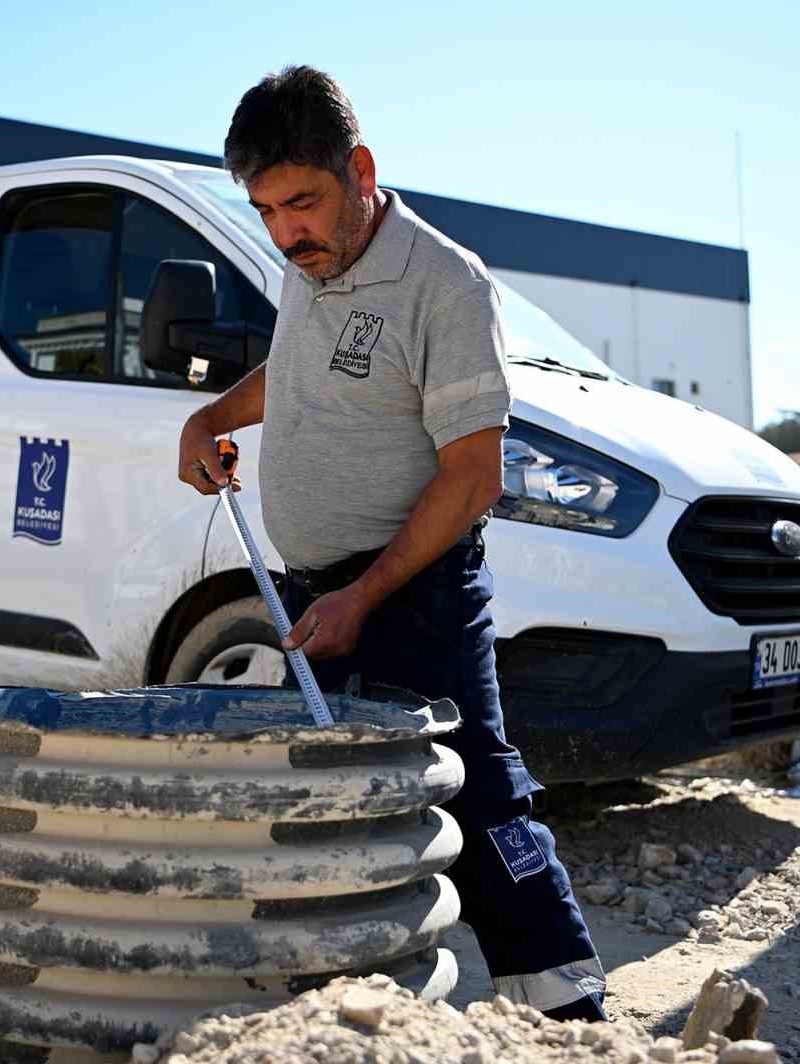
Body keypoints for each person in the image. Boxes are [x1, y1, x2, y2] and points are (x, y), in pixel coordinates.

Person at [175, 65, 608, 1021]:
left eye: (302, 202)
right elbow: (296, 371)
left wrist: (362, 597)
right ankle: (353, 1016)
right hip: (317, 596)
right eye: (266, 210)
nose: (286, 231)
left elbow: (474, 477)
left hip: (414, 598)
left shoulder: (446, 285)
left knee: (476, 798)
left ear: (360, 170)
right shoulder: (313, 264)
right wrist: (214, 416)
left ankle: (570, 1016)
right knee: (339, 801)